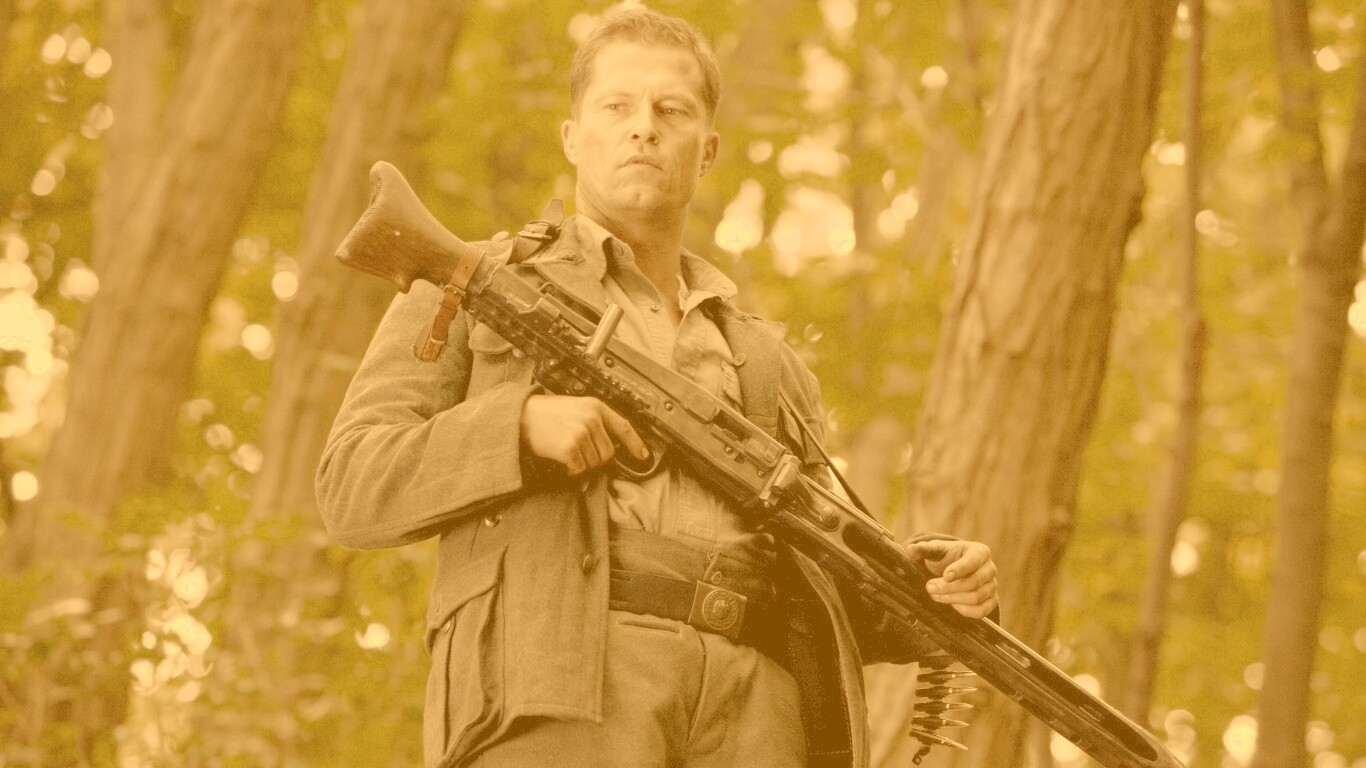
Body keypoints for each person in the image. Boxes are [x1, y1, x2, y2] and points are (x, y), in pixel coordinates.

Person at [317, 8, 998, 768]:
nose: (644, 127)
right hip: (560, 687)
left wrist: (932, 590)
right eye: (617, 106)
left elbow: (824, 582)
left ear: (707, 152)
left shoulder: (765, 359)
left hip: (758, 712)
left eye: (671, 110)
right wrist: (519, 429)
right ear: (573, 137)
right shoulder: (474, 283)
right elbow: (353, 482)